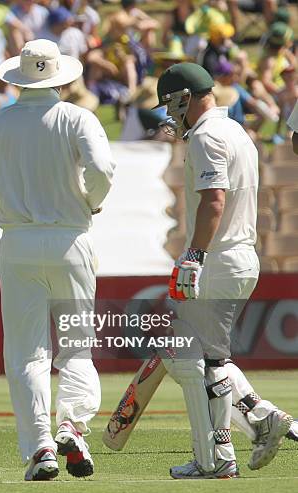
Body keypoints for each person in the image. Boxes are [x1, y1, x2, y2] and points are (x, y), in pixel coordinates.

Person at [0, 39, 115, 481]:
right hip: (71, 238)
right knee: (76, 345)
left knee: (26, 353)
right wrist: (90, 202)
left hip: (18, 242)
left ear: (19, 77)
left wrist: (4, 204)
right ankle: (72, 423)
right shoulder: (77, 117)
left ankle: (40, 448)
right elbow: (102, 172)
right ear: (59, 76)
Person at [154, 62, 293, 479]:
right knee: (208, 355)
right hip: (241, 253)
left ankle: (216, 459)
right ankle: (260, 419)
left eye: (171, 105)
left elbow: (214, 201)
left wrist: (194, 255)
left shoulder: (208, 136)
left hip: (220, 256)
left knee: (202, 362)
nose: (169, 115)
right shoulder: (236, 131)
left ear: (184, 98)